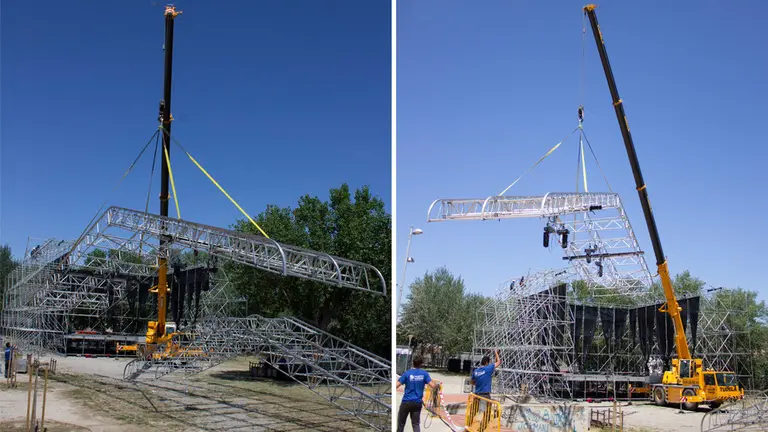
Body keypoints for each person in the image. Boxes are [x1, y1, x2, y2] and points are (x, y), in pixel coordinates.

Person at [396, 355, 439, 432]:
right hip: (417, 403)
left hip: (406, 402)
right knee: (415, 424)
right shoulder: (424, 374)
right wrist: (437, 385)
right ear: (421, 364)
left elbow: (396, 385)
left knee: (401, 424)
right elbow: (433, 385)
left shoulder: (407, 373)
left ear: (413, 363)